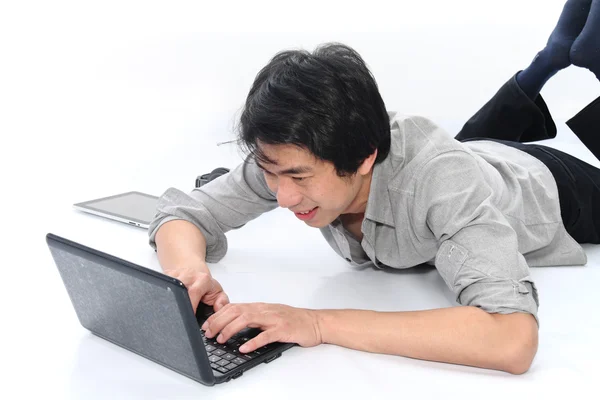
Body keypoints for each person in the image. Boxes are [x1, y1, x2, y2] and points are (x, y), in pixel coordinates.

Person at [148, 0, 600, 375]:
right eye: (271, 174)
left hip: (556, 189)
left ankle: (588, 61)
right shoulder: (290, 154)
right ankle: (550, 59)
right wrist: (187, 270)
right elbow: (184, 213)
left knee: (455, 168)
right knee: (466, 151)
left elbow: (512, 339)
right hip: (474, 157)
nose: (282, 197)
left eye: (300, 178)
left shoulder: (441, 181)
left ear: (364, 156)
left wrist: (318, 323)